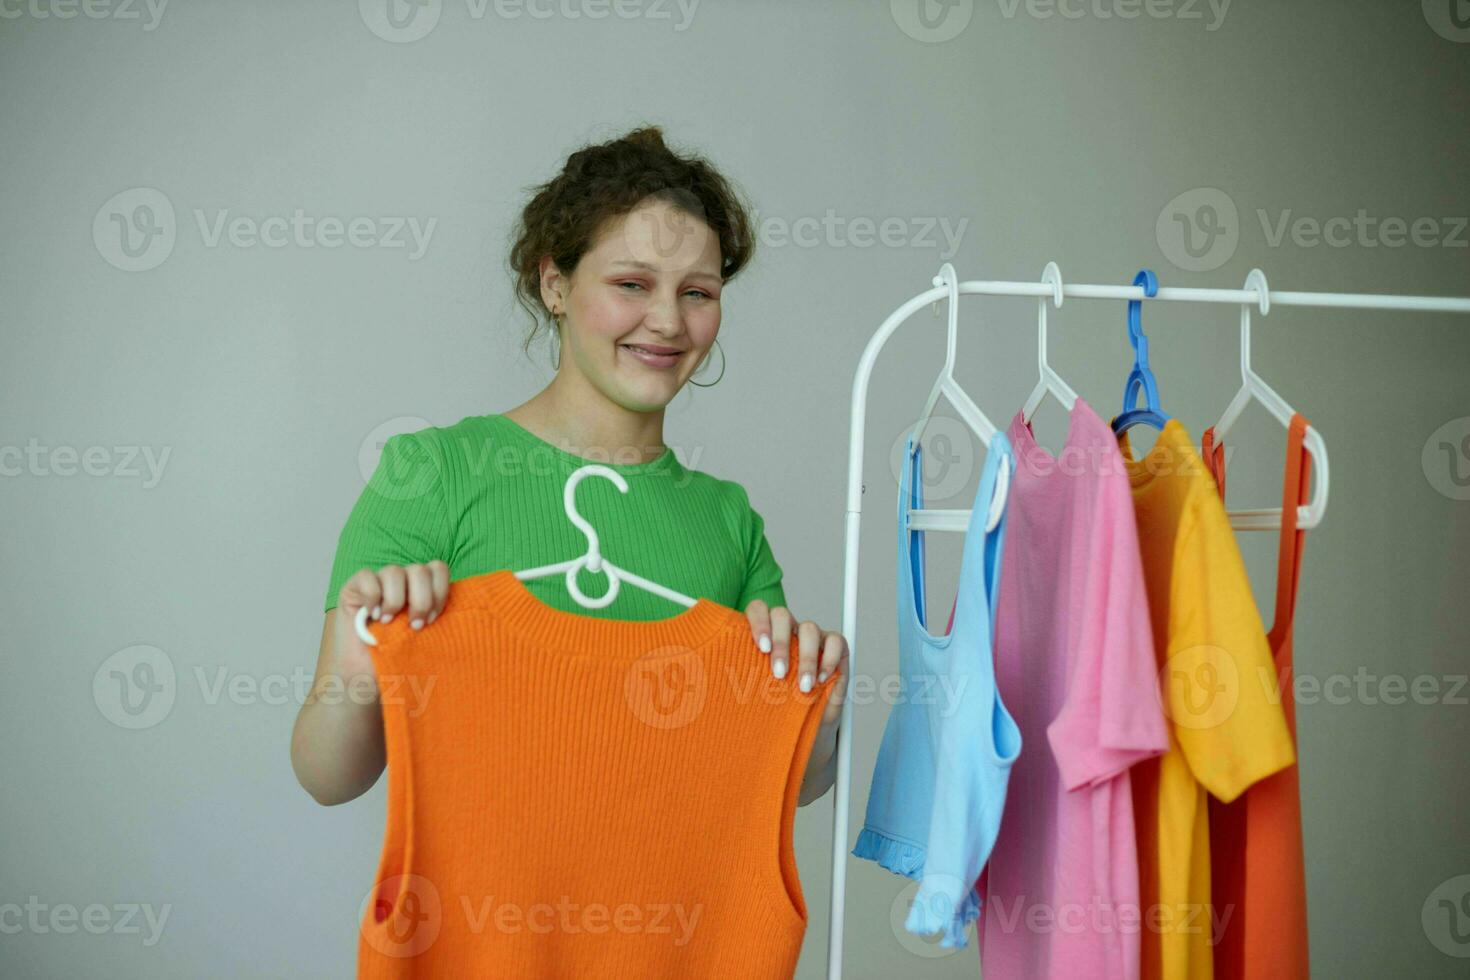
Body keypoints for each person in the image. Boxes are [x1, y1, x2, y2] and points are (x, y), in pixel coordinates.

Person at [290, 124, 849, 810]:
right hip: (483, 918)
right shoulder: (432, 472)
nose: (668, 322)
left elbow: (788, 784)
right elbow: (328, 778)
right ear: (555, 284)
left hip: (677, 915)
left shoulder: (727, 519)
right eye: (631, 283)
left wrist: (818, 721)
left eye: (697, 292)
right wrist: (357, 661)